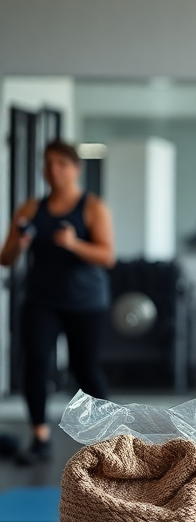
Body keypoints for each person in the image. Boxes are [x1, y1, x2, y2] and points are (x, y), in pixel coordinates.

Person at [1, 140, 115, 466]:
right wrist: (20, 244)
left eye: (61, 164)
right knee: (36, 363)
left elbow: (107, 256)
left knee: (86, 369)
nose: (54, 170)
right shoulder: (29, 209)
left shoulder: (92, 207)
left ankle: (108, 442)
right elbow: (5, 258)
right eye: (48, 164)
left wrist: (74, 244)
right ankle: (40, 437)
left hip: (87, 302)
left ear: (75, 169)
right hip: (42, 300)